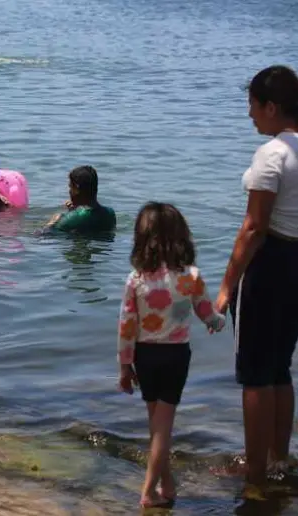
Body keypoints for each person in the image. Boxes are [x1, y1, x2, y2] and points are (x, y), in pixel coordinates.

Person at [214, 65, 298, 499]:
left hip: (271, 264)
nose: (249, 115)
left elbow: (254, 227)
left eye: (252, 106)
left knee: (254, 375)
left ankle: (256, 474)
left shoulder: (273, 153)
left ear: (271, 107)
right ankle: (280, 460)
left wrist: (227, 286)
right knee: (280, 366)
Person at [116, 202, 225, 509]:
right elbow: (206, 313)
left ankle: (167, 483)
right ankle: (149, 492)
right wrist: (219, 321)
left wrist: (124, 367)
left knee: (156, 424)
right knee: (163, 427)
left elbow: (126, 326)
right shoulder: (190, 276)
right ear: (182, 237)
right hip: (175, 356)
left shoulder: (136, 279)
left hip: (144, 356)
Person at [44, 165, 116, 234]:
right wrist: (74, 211)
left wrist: (52, 223)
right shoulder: (110, 214)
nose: (69, 191)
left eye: (70, 187)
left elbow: (43, 235)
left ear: (76, 189)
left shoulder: (71, 218)